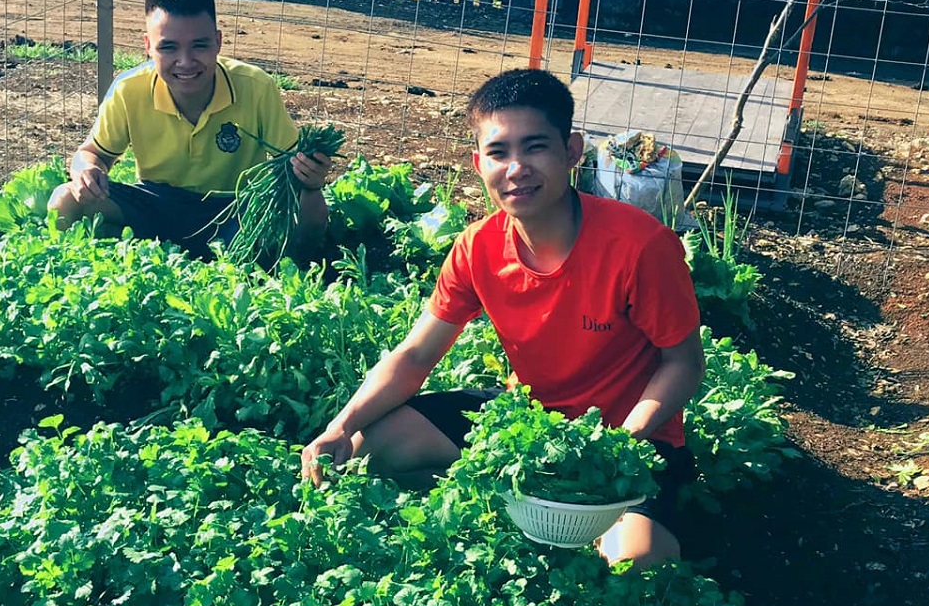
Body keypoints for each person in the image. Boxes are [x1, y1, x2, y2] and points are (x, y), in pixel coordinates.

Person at [299, 68, 707, 569]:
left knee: (633, 565)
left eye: (535, 147)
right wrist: (340, 426)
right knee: (362, 454)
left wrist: (615, 446)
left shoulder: (639, 246)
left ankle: (597, 517)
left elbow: (683, 364)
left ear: (572, 151)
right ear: (478, 162)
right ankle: (510, 496)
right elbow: (415, 354)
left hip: (630, 439)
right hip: (526, 425)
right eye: (498, 152)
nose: (516, 168)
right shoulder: (478, 247)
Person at [48, 0, 330, 257]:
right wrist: (85, 170)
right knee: (65, 199)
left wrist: (311, 178)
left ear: (218, 42)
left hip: (236, 212)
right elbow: (92, 153)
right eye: (168, 47)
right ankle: (76, 267)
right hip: (156, 204)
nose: (185, 61)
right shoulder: (128, 89)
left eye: (199, 45)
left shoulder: (255, 86)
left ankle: (299, 269)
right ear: (148, 46)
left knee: (310, 211)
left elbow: (294, 170)